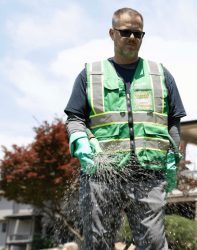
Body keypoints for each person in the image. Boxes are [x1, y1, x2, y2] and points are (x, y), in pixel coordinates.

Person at [64, 7, 186, 250]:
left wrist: (174, 156)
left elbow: (173, 121)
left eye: (138, 34)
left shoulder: (160, 75)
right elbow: (74, 118)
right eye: (126, 32)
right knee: (98, 243)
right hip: (102, 172)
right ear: (112, 33)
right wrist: (79, 140)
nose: (132, 38)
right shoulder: (90, 75)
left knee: (153, 243)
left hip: (149, 174)